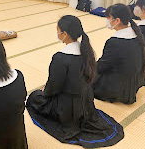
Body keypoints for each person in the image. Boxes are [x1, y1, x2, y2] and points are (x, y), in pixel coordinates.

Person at [26, 15, 124, 148]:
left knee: (34, 98)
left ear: (65, 34)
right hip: (86, 101)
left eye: (58, 30)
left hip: (67, 107)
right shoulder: (86, 51)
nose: (57, 33)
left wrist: (45, 91)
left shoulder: (60, 57)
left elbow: (53, 87)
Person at [93, 4, 145, 104]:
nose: (107, 21)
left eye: (108, 18)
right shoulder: (136, 34)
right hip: (133, 82)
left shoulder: (115, 41)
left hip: (118, 87)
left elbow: (103, 65)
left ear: (117, 20)